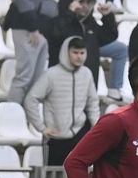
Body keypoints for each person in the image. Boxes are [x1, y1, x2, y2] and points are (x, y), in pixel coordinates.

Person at [25, 37, 99, 165]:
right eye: (75, 53)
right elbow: (31, 99)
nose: (79, 57)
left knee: (80, 176)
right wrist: (41, 127)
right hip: (56, 136)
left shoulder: (87, 74)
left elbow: (92, 102)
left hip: (80, 133)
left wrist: (95, 126)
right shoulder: (51, 74)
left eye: (82, 53)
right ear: (66, 52)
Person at [48, 0, 128, 99]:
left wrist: (107, 16)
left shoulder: (91, 24)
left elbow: (110, 36)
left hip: (89, 83)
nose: (85, 6)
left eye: (88, 3)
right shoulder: (62, 20)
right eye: (81, 2)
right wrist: (70, 13)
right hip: (65, 84)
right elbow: (57, 35)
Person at [2, 0, 58, 103]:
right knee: (24, 77)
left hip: (42, 30)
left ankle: (27, 115)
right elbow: (22, 1)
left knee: (36, 79)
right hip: (29, 30)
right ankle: (12, 112)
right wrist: (33, 27)